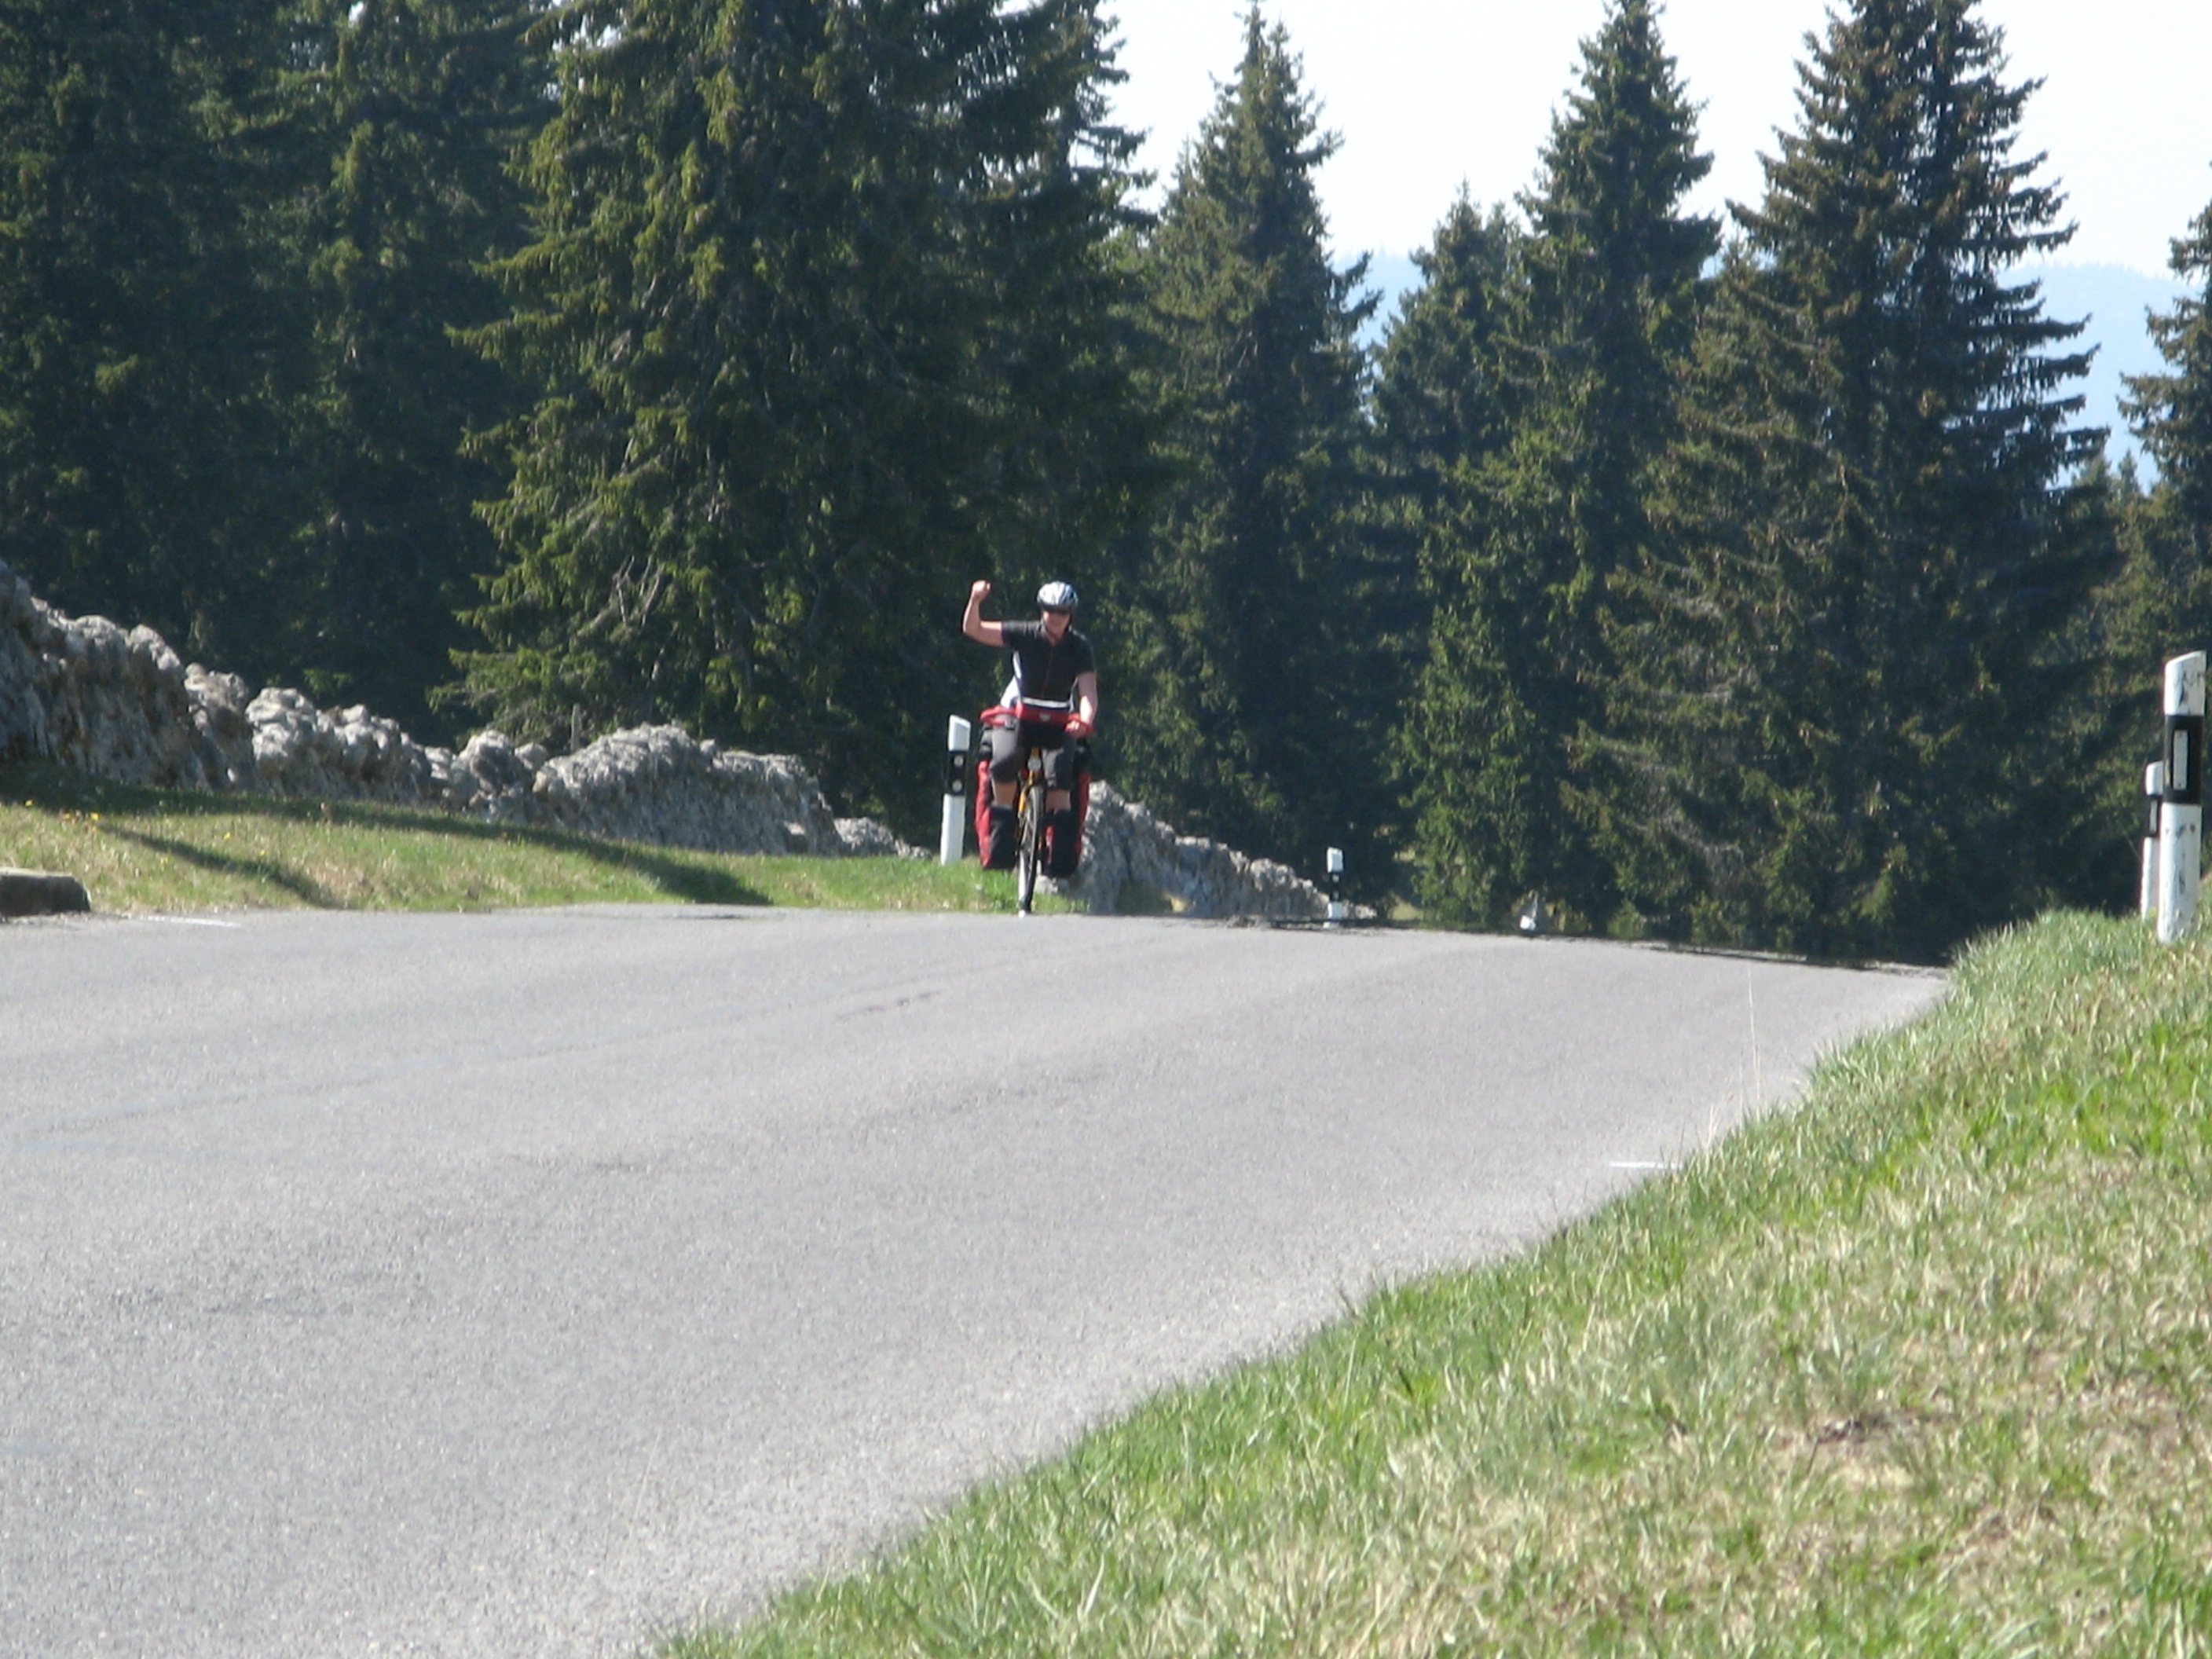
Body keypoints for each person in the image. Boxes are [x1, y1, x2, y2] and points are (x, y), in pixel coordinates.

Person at [962, 578, 1098, 873]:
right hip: (1017, 713)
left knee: (1062, 776)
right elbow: (974, 629)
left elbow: (1088, 692)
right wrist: (975, 600)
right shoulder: (1024, 634)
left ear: (1071, 614)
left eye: (1062, 611)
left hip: (1059, 719)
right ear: (1041, 611)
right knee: (1004, 762)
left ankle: (1057, 851)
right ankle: (1001, 837)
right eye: (1050, 610)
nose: (1056, 617)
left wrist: (1085, 720)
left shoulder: (1080, 647)